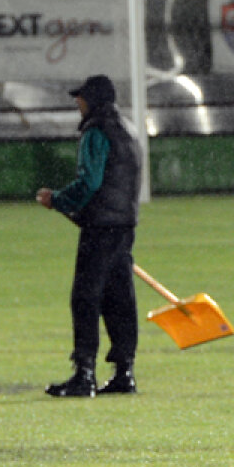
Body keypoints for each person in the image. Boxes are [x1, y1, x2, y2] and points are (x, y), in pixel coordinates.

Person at [37, 74, 142, 399]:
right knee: (119, 299)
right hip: (124, 226)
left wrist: (58, 200)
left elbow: (90, 182)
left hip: (99, 229)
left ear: (93, 100)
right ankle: (124, 372)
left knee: (86, 298)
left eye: (80, 98)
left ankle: (84, 374)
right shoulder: (128, 132)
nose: (77, 103)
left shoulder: (96, 133)